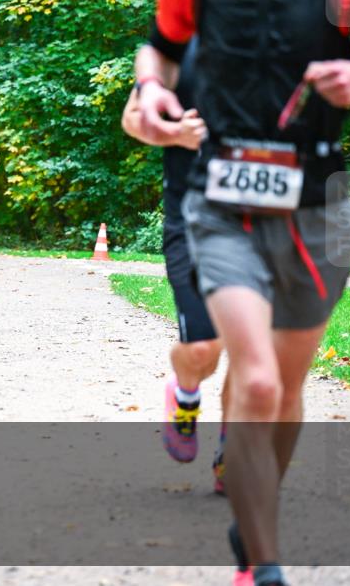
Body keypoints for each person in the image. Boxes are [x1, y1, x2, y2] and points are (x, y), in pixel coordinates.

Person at [134, 0, 350, 585]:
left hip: (317, 207)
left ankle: (252, 516)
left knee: (285, 388)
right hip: (221, 208)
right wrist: (151, 96)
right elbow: (156, 57)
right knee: (254, 378)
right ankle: (262, 562)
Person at [121, 39, 228, 489]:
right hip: (192, 219)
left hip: (262, 220)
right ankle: (184, 396)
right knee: (204, 349)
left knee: (249, 346)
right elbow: (131, 119)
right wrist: (174, 134)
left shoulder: (284, 36)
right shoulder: (179, 47)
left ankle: (233, 456)